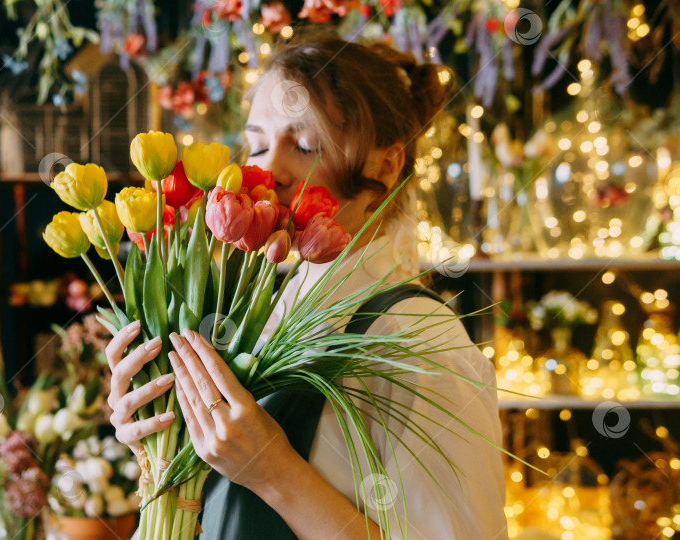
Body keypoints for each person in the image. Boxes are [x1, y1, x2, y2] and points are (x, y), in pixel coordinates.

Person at [108, 31, 508, 540]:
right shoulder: (262, 309)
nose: (266, 170)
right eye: (256, 143)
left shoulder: (418, 341)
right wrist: (157, 436)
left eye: (303, 145)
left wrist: (273, 471)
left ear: (386, 164)